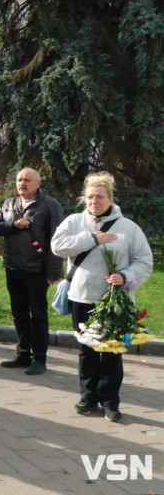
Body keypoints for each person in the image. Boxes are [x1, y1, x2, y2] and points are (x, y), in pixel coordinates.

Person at [50, 172, 153, 422]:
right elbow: (57, 246)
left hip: (115, 301)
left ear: (110, 198)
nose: (94, 201)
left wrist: (125, 277)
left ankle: (110, 402)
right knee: (87, 350)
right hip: (82, 297)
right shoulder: (74, 221)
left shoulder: (128, 228)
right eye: (89, 197)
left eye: (99, 197)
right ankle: (87, 398)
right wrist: (92, 238)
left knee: (111, 352)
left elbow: (144, 261)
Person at [0, 168, 64, 375]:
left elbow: (56, 241)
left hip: (37, 271)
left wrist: (53, 272)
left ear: (38, 184)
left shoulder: (50, 206)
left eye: (27, 180)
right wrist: (14, 224)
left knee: (38, 316)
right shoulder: (9, 204)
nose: (22, 183)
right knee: (19, 313)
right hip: (13, 268)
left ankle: (39, 358)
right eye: (19, 179)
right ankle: (23, 354)